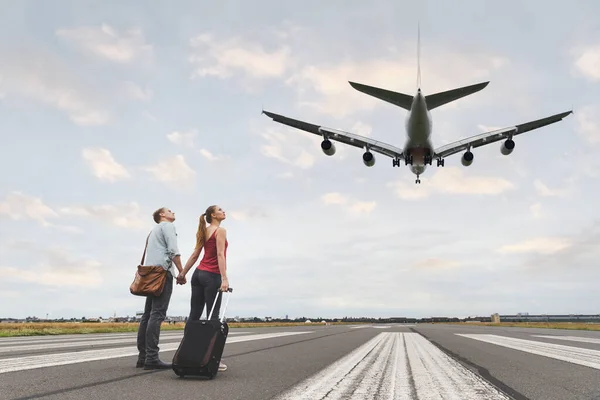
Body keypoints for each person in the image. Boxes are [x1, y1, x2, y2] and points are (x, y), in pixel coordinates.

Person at [179, 204, 230, 371]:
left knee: (193, 316)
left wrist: (183, 273)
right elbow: (220, 254)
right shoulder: (220, 231)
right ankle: (212, 358)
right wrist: (224, 278)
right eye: (220, 210)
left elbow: (195, 254)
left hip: (198, 275)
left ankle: (184, 354)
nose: (224, 211)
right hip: (212, 276)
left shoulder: (203, 230)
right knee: (213, 318)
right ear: (213, 215)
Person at [136, 207, 186, 370]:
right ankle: (152, 358)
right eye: (170, 211)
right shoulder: (168, 227)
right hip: (162, 273)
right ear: (162, 215)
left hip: (150, 274)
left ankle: (143, 357)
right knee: (157, 314)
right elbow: (173, 251)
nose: (174, 212)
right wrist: (181, 271)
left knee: (147, 315)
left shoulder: (153, 231)